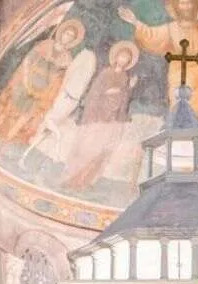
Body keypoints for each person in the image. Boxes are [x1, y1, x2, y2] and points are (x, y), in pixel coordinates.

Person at [117, 0, 198, 182]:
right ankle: (182, 162)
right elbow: (152, 36)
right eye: (182, 4)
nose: (186, 7)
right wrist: (135, 22)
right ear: (175, 8)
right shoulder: (171, 28)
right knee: (180, 115)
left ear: (197, 7)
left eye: (190, 4)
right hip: (179, 77)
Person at [0, 17, 87, 146]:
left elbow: (59, 80)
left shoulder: (67, 58)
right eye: (67, 33)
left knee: (24, 117)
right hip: (25, 84)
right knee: (9, 109)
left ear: (73, 41)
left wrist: (46, 94)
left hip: (41, 92)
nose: (68, 37)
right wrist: (25, 79)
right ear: (62, 33)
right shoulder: (46, 44)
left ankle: (5, 143)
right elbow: (28, 60)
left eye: (71, 36)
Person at [60, 42, 140, 191]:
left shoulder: (124, 77)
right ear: (116, 57)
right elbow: (94, 94)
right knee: (86, 148)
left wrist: (128, 89)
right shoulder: (106, 73)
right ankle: (71, 179)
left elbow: (123, 100)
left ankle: (86, 181)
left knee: (102, 151)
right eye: (122, 56)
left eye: (127, 58)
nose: (124, 60)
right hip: (97, 118)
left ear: (129, 62)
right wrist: (114, 92)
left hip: (111, 121)